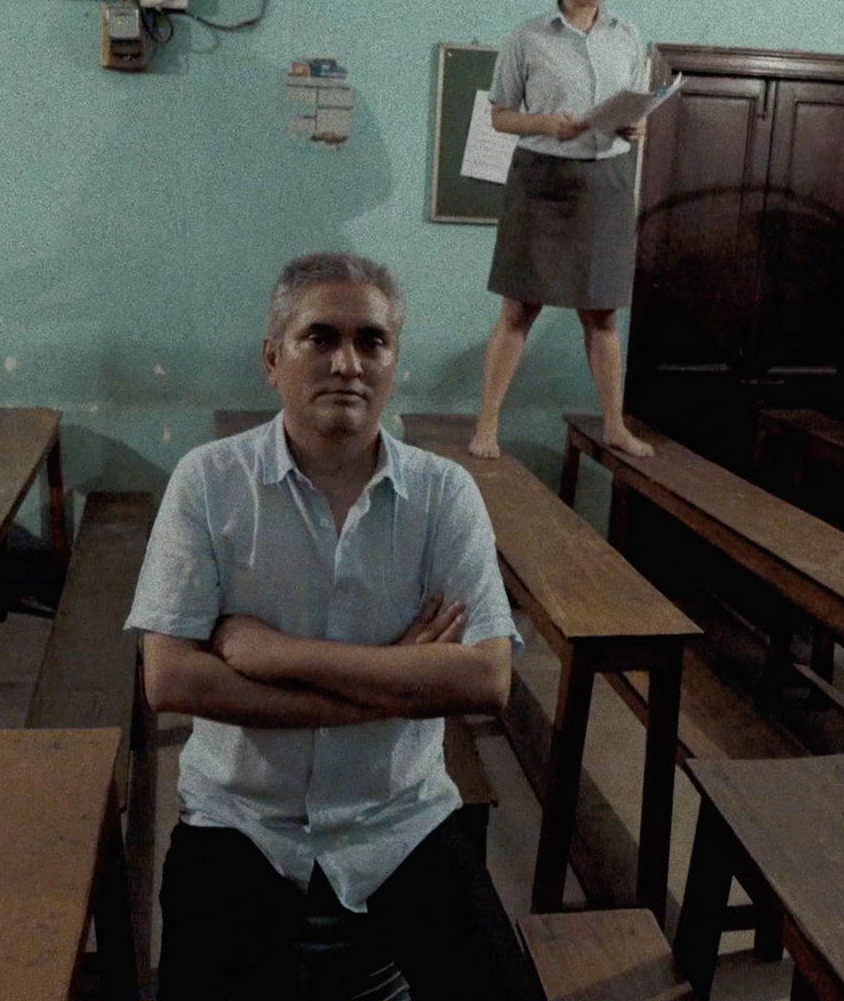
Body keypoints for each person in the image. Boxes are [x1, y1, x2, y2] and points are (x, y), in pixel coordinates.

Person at [127, 251, 541, 1001]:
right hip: (241, 817)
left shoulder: (443, 495)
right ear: (272, 360)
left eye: (371, 341)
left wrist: (274, 653)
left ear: (393, 364)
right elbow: (172, 679)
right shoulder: (209, 482)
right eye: (320, 338)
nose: (347, 363)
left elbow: (486, 679)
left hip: (399, 815)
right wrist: (399, 681)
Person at [471, 0, 656, 461]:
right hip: (542, 179)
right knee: (518, 310)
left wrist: (636, 126)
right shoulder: (528, 37)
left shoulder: (629, 37)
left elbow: (638, 112)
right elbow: (499, 116)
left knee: (602, 315)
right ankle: (487, 425)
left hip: (607, 183)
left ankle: (614, 425)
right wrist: (545, 123)